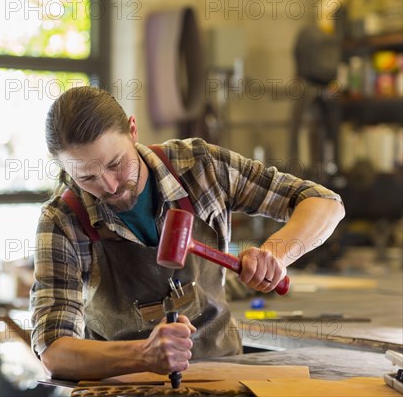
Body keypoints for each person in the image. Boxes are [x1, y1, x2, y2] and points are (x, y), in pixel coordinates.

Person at [30, 86, 345, 381]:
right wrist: (143, 355)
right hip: (125, 384)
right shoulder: (62, 221)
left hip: (224, 374)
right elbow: (55, 351)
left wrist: (275, 254)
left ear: (133, 130)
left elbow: (324, 203)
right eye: (88, 177)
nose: (110, 186)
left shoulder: (199, 167)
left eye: (116, 164)